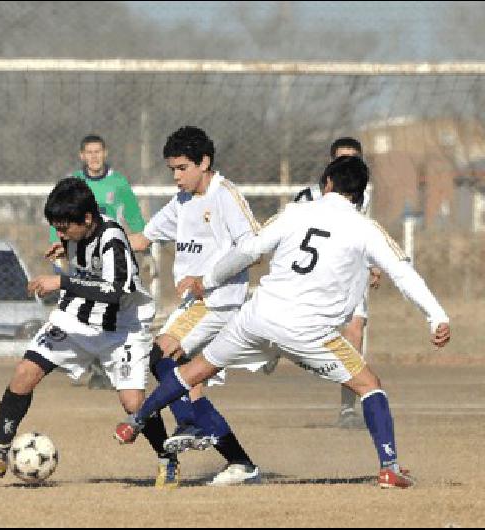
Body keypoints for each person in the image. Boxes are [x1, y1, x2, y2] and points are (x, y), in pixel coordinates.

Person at [114, 156, 451, 489]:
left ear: (327, 184)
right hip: (309, 333)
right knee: (369, 385)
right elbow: (401, 271)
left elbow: (249, 249)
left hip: (258, 318)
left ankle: (135, 421)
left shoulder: (296, 212)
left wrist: (209, 278)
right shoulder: (365, 227)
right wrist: (436, 315)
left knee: (192, 372)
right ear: (360, 194)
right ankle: (389, 467)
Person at [0, 177, 181, 488]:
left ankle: (167, 459)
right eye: (56, 227)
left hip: (122, 328)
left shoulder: (113, 240)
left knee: (133, 403)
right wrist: (67, 245)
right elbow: (82, 253)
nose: (60, 232)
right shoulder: (79, 232)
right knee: (25, 372)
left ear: (88, 219)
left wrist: (61, 282)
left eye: (64, 228)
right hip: (76, 318)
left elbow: (113, 291)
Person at [128, 126, 263, 486]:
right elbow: (142, 239)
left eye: (183, 168)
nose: (176, 176)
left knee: (161, 357)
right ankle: (240, 462)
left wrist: (208, 280)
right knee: (187, 379)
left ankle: (187, 422)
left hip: (216, 303)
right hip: (194, 305)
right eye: (172, 169)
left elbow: (251, 248)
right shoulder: (182, 201)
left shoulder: (227, 196)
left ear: (205, 163)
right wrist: (84, 242)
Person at [291, 137, 380, 428]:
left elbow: (364, 236)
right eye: (342, 158)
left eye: (354, 158)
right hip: (313, 279)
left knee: (354, 332)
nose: (348, 163)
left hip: (350, 276)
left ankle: (347, 409)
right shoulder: (307, 197)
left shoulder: (361, 198)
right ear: (330, 163)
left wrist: (372, 263)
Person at [51, 135, 147, 390]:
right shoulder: (73, 183)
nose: (94, 157)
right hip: (79, 254)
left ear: (105, 153)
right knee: (79, 305)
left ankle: (105, 365)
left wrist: (140, 244)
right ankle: (83, 360)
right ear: (82, 155)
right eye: (89, 152)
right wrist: (59, 247)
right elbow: (60, 221)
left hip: (108, 254)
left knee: (108, 303)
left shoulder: (119, 183)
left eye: (98, 152)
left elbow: (135, 219)